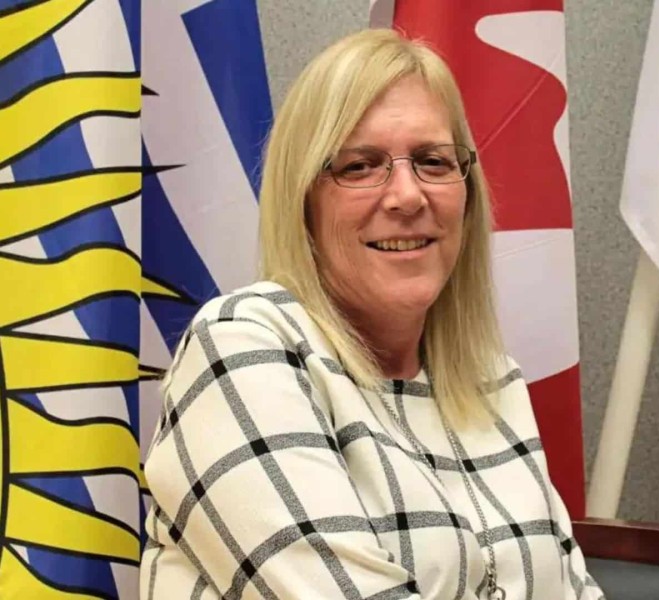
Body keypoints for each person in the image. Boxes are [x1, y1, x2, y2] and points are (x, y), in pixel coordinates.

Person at [140, 28, 604, 600]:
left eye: (434, 161)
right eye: (360, 166)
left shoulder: (492, 379)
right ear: (303, 201)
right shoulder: (242, 347)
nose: (408, 196)